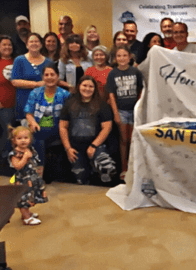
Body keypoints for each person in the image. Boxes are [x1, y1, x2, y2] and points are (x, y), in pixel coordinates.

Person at [59, 76, 115, 185]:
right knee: (80, 179)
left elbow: (107, 127)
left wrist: (94, 146)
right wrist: (68, 148)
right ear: (79, 86)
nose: (87, 89)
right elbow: (63, 127)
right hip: (75, 147)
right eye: (84, 85)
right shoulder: (69, 103)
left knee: (107, 169)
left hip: (96, 145)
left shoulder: (102, 105)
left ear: (95, 89)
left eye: (91, 86)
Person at [107, 46, 144, 179]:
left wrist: (138, 107)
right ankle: (124, 168)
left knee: (133, 140)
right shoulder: (112, 73)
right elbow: (111, 95)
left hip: (134, 111)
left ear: (129, 57)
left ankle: (135, 167)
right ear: (115, 59)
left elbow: (141, 89)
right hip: (121, 111)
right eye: (119, 56)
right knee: (124, 140)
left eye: (124, 55)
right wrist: (116, 113)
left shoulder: (136, 72)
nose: (122, 58)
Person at [24, 63, 70, 173]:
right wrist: (32, 122)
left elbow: (69, 116)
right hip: (39, 125)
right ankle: (38, 169)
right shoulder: (35, 92)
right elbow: (28, 112)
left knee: (39, 134)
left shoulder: (65, 94)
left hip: (58, 127)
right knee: (36, 133)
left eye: (52, 74)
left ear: (58, 76)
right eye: (46, 75)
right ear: (43, 77)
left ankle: (39, 170)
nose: (49, 77)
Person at [9, 126, 46, 226]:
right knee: (23, 198)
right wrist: (25, 157)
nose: (23, 141)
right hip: (22, 180)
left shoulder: (30, 149)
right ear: (14, 140)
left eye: (26, 138)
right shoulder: (15, 153)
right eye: (19, 138)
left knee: (30, 196)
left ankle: (27, 213)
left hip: (31, 178)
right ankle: (26, 218)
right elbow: (17, 166)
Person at [10, 33, 52, 121]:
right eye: (31, 41)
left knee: (44, 130)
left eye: (36, 41)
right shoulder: (19, 60)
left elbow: (53, 80)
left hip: (44, 102)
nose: (34, 43)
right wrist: (36, 84)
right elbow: (14, 81)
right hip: (25, 102)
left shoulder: (49, 62)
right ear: (26, 45)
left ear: (41, 44)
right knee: (27, 131)